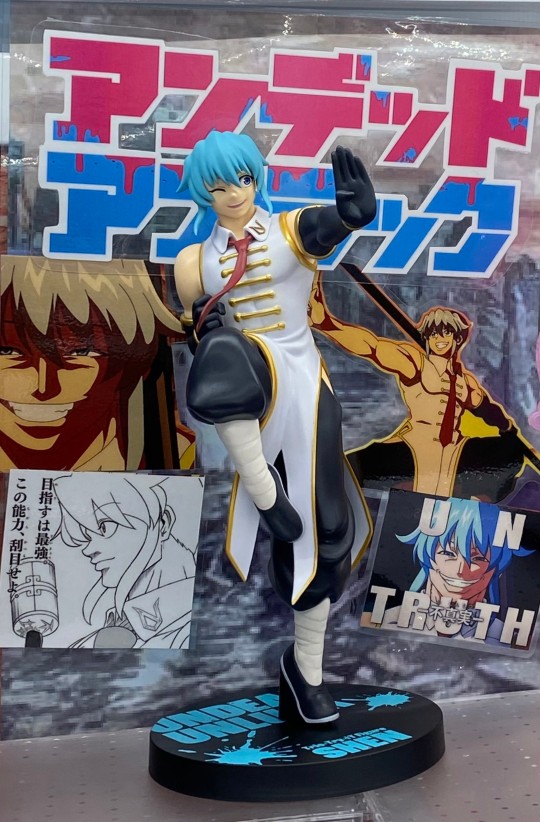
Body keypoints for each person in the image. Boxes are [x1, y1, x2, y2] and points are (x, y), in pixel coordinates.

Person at [174, 130, 376, 724]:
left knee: (327, 531)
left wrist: (349, 217)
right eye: (218, 186)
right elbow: (200, 336)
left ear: (256, 177)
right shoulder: (193, 263)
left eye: (242, 179)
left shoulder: (288, 231)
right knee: (225, 352)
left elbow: (321, 228)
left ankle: (304, 672)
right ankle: (266, 493)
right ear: (203, 194)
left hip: (304, 379)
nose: (234, 194)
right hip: (251, 380)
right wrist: (206, 330)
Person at [310, 279, 525, 501]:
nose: (439, 339)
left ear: (457, 338)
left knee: (510, 451)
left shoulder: (465, 381)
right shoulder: (415, 363)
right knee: (352, 467)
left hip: (453, 450)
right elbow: (371, 346)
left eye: (446, 333)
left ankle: (477, 501)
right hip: (414, 444)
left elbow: (487, 410)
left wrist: (507, 428)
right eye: (434, 333)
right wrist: (326, 323)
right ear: (427, 337)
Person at [0, 256, 184, 471]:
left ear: (136, 360)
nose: (45, 388)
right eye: (7, 351)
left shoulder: (189, 455)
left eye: (81, 352)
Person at [53, 474, 197, 649]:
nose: (88, 550)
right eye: (87, 537)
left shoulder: (189, 626)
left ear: (163, 523)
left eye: (105, 528)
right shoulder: (114, 624)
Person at [368, 497, 532, 645]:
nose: (460, 570)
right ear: (427, 556)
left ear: (496, 567)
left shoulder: (505, 638)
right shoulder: (385, 620)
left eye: (477, 558)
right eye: (448, 553)